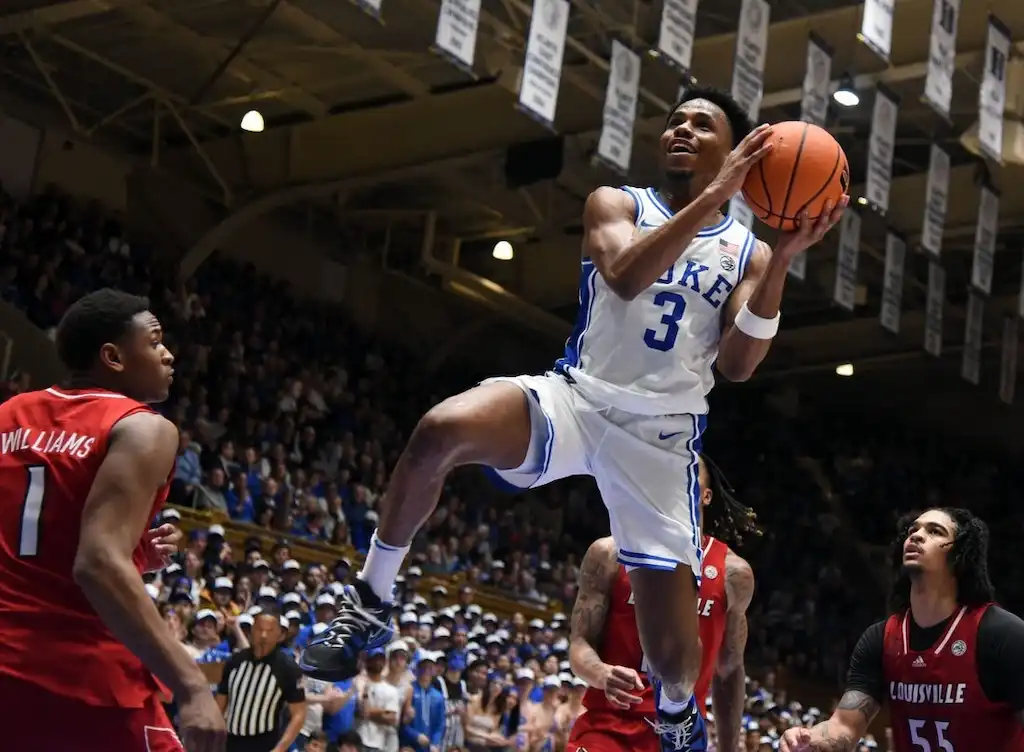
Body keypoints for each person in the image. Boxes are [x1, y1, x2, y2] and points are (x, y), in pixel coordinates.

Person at [302, 85, 847, 750]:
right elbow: (623, 273)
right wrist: (714, 195)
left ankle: (676, 715)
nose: (680, 129)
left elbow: (738, 365)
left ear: (732, 150)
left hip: (660, 439)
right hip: (580, 398)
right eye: (674, 120)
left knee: (673, 658)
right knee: (440, 429)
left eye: (701, 125)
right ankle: (372, 601)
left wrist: (783, 260)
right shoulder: (617, 203)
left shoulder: (747, 253)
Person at [0, 288, 225, 752]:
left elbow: (37, 535)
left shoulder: (8, 414)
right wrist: (192, 685)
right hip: (78, 675)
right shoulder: (143, 427)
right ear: (113, 357)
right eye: (155, 341)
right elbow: (97, 562)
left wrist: (135, 554)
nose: (168, 354)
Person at [780, 508, 1024, 752]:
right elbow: (844, 726)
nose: (916, 536)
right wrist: (810, 740)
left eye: (935, 531)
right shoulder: (881, 639)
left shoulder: (1001, 634)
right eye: (913, 530)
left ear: (960, 553)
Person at [565, 455, 755, 752]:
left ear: (706, 496)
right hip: (607, 727)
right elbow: (579, 643)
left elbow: (729, 671)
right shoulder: (609, 554)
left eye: (687, 481)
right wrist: (601, 674)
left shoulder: (734, 574)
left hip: (677, 739)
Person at [216, 609, 307, 752]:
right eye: (259, 630)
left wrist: (279, 749)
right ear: (252, 631)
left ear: (280, 635)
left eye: (270, 631)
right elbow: (220, 704)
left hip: (264, 744)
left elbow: (299, 714)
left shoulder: (288, 669)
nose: (263, 636)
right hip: (231, 742)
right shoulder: (235, 661)